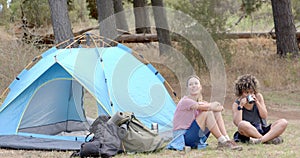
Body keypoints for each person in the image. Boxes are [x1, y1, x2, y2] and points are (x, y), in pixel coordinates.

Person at [167, 75, 242, 151]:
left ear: (200, 87)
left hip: (194, 136)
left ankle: (227, 140)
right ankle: (222, 141)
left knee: (215, 112)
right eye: (190, 84)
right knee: (208, 112)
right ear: (187, 89)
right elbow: (209, 107)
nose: (193, 86)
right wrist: (213, 105)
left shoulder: (200, 102)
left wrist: (215, 106)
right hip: (184, 138)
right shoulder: (185, 101)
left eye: (196, 83)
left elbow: (220, 108)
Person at [232, 74, 288, 144]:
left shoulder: (258, 97)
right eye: (246, 92)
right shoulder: (237, 104)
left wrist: (257, 102)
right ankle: (267, 139)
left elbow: (264, 116)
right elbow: (238, 123)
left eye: (251, 92)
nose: (249, 95)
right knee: (242, 124)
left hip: (261, 128)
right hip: (248, 131)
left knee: (283, 122)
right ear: (240, 92)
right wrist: (241, 106)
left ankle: (260, 140)